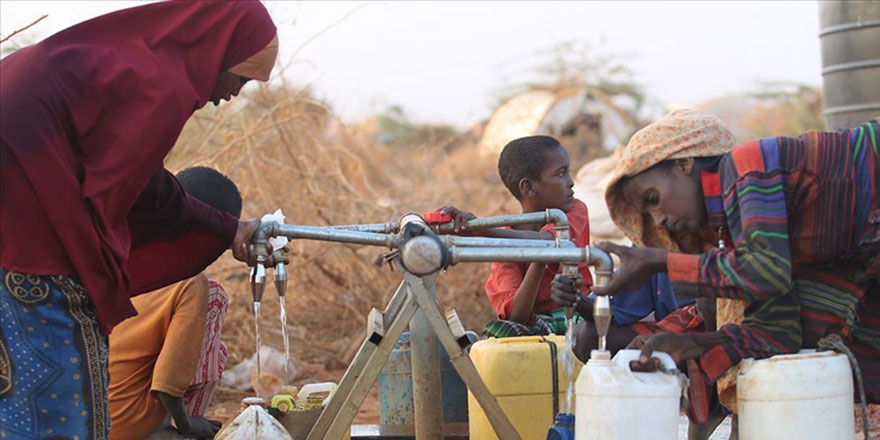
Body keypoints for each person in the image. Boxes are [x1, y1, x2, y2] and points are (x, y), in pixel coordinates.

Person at [0, 2, 278, 438]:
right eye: (240, 79)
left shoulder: (129, 61)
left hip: (17, 208)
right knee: (66, 395)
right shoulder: (163, 87)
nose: (235, 95)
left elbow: (145, 181)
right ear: (219, 50)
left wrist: (225, 227)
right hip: (31, 218)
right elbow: (128, 191)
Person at [594, 109, 880, 424]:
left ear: (683, 163)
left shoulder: (748, 166)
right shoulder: (742, 240)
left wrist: (662, 263)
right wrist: (693, 344)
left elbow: (767, 271)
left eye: (653, 199)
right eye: (648, 216)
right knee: (816, 323)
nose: (659, 220)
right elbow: (780, 333)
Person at [108, 167, 240, 439]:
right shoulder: (189, 282)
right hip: (129, 427)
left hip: (84, 421)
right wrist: (188, 424)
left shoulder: (122, 258)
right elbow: (168, 382)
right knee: (215, 299)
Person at [439, 135, 594, 337]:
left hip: (578, 314)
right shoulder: (505, 244)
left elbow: (552, 241)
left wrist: (483, 231)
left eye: (568, 172)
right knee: (498, 331)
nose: (571, 182)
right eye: (561, 173)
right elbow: (516, 316)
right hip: (538, 324)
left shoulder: (574, 211)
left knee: (596, 327)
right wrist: (539, 261)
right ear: (528, 187)